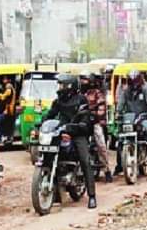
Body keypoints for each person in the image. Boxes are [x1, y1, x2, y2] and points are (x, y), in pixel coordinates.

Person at [44, 73, 97, 209]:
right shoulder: (58, 101)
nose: (60, 87)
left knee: (84, 160)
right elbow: (50, 115)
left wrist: (79, 126)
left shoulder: (81, 100)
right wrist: (40, 125)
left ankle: (92, 196)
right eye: (59, 84)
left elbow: (85, 118)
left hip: (77, 133)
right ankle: (55, 193)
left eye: (62, 85)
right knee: (48, 156)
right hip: (60, 132)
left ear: (70, 86)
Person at [117, 69, 147, 165]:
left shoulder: (146, 90)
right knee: (120, 137)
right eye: (132, 81)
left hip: (143, 117)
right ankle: (119, 163)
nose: (134, 83)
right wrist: (118, 112)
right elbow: (121, 103)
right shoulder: (126, 92)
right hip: (129, 119)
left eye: (135, 81)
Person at [82, 73, 113, 183]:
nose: (83, 83)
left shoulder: (98, 94)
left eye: (85, 80)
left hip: (94, 122)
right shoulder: (80, 94)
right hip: (82, 123)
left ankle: (107, 170)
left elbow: (101, 108)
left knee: (101, 144)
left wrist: (96, 117)